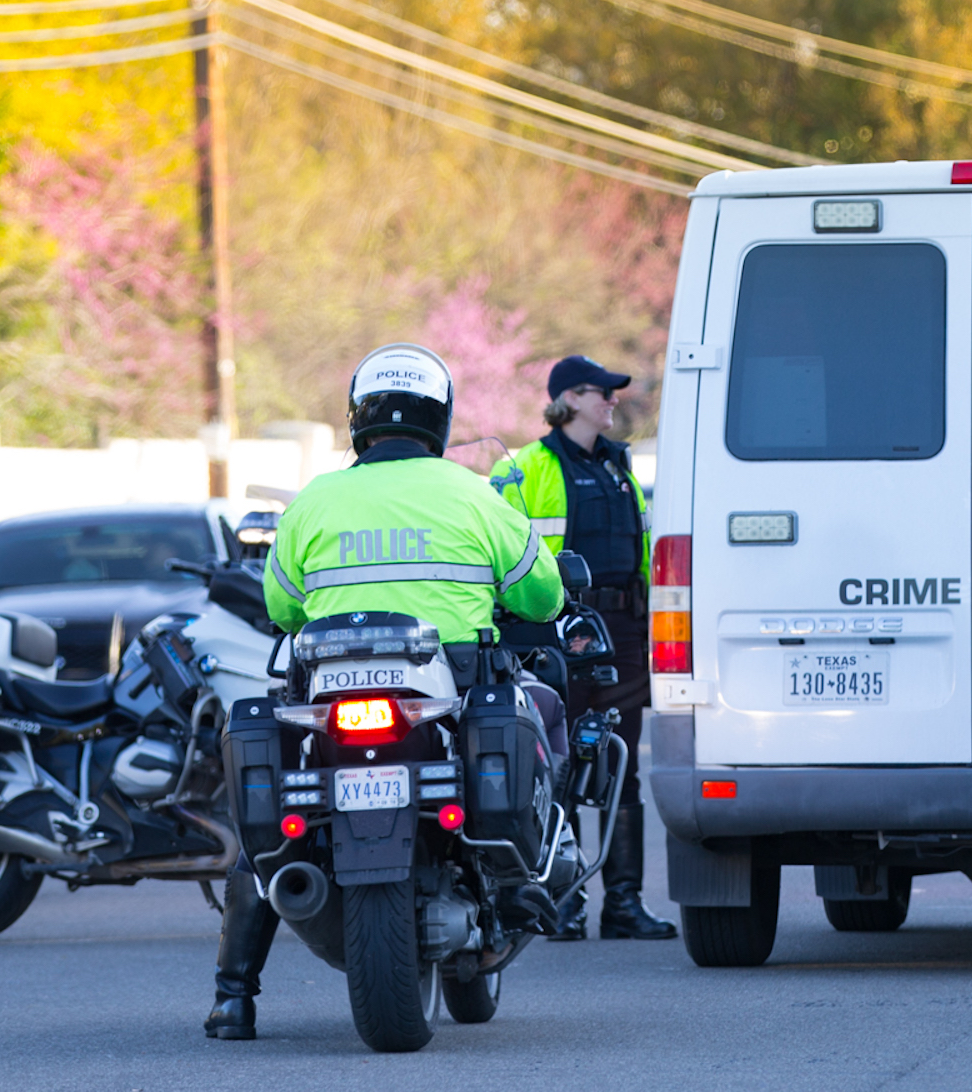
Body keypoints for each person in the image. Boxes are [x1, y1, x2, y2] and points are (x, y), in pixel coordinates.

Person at [205, 342, 567, 1042]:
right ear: (440, 418)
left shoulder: (313, 501)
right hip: (446, 690)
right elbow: (542, 592)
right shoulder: (472, 493)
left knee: (272, 830)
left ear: (356, 420)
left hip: (330, 694)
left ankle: (233, 998)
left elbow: (281, 607)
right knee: (541, 708)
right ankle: (528, 878)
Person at [491, 354, 676, 941]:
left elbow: (643, 553)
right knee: (562, 766)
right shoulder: (523, 468)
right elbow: (501, 553)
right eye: (603, 393)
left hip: (622, 630)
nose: (613, 401)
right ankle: (563, 903)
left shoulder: (620, 466)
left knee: (620, 765)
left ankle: (623, 905)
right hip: (556, 631)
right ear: (569, 399)